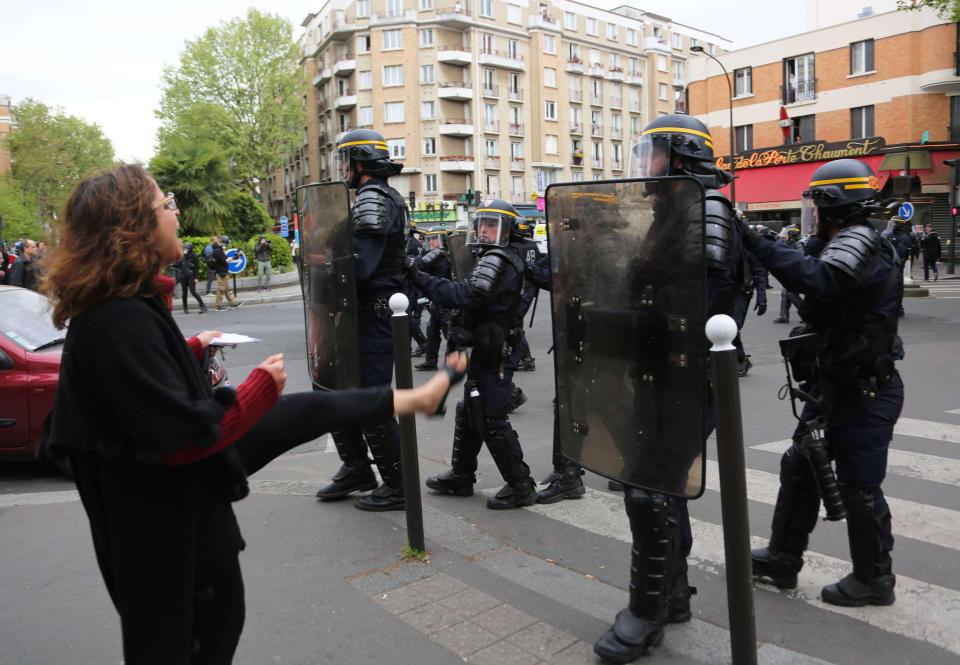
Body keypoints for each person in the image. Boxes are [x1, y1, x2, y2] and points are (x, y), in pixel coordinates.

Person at [42, 164, 465, 665]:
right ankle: (414, 400)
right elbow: (185, 439)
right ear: (133, 228)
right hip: (171, 551)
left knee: (312, 408)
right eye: (165, 204)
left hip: (174, 539)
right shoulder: (117, 319)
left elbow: (138, 408)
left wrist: (189, 352)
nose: (176, 213)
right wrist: (258, 391)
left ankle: (414, 399)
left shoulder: (123, 309)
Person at [593, 114, 742, 662]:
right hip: (662, 372)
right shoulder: (673, 210)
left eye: (653, 152)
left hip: (687, 374)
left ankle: (646, 614)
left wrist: (611, 323)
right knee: (660, 488)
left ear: (679, 155)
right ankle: (671, 595)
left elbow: (685, 309)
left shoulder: (705, 213)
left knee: (649, 492)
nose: (645, 164)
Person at [740, 158, 904, 607]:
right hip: (835, 384)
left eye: (816, 202)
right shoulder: (836, 241)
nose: (811, 211)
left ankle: (874, 580)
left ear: (836, 204)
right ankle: (782, 558)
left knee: (859, 486)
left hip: (864, 389)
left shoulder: (861, 242)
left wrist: (757, 242)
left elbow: (820, 280)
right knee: (800, 465)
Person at [409, 199, 539, 510]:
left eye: (492, 224)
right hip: (486, 347)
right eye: (481, 223)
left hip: (497, 351)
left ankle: (521, 484)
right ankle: (462, 475)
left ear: (506, 230)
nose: (483, 229)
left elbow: (469, 295)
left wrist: (421, 279)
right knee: (469, 408)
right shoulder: (492, 256)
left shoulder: (499, 258)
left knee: (490, 416)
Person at [314, 128, 410, 511]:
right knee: (333, 390)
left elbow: (360, 268)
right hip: (356, 312)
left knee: (371, 400)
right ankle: (357, 468)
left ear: (360, 162)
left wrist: (322, 269)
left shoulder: (374, 197)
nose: (342, 168)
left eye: (345, 160)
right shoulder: (374, 198)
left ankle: (398, 484)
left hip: (372, 311)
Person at [524, 251, 586, 504]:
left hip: (587, 333)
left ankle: (571, 475)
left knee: (582, 405)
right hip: (576, 332)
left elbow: (568, 282)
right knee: (568, 402)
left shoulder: (601, 245)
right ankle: (566, 467)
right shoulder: (581, 242)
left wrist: (527, 267)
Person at [414, 232, 453, 371]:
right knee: (432, 331)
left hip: (444, 299)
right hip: (437, 299)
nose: (431, 242)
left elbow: (419, 265)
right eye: (429, 239)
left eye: (434, 239)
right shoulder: (439, 254)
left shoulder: (438, 255)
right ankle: (431, 361)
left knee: (450, 333)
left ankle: (453, 364)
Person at [773, 227, 803, 323]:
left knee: (791, 294)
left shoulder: (799, 244)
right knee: (785, 294)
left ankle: (807, 315)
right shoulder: (790, 243)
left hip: (796, 273)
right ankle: (784, 316)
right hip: (790, 272)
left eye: (787, 234)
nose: (785, 236)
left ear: (792, 235)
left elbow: (801, 258)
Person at [211, 236, 241, 310]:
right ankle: (217, 306)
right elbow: (225, 260)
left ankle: (233, 304)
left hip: (223, 272)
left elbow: (226, 259)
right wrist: (234, 257)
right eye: (225, 244)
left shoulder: (220, 250)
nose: (225, 246)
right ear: (222, 243)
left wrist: (235, 257)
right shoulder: (217, 251)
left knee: (227, 290)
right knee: (221, 289)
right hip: (221, 273)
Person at [176, 242, 207, 314]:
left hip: (191, 276)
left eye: (186, 248)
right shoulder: (182, 255)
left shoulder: (194, 256)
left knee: (193, 291)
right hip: (183, 276)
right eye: (184, 248)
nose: (185, 250)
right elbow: (178, 265)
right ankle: (185, 308)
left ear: (190, 249)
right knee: (184, 293)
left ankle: (203, 306)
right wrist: (172, 264)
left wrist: (196, 277)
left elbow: (196, 267)